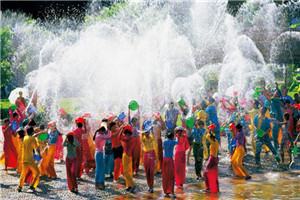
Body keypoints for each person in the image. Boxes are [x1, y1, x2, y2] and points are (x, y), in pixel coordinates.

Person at [17, 127, 40, 192]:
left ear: (27, 132)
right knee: (37, 172)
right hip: (30, 159)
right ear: (32, 132)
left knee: (23, 173)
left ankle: (20, 186)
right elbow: (37, 148)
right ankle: (32, 186)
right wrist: (40, 155)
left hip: (24, 158)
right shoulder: (33, 139)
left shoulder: (24, 138)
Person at [93, 123, 111, 189]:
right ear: (100, 131)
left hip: (100, 153)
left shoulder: (98, 135)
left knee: (101, 169)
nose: (104, 133)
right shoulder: (99, 136)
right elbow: (108, 136)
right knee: (99, 169)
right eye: (103, 131)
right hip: (99, 154)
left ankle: (101, 183)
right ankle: (97, 184)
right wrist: (109, 130)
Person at [119, 124, 136, 193]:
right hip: (129, 155)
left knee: (126, 171)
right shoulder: (131, 138)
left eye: (125, 134)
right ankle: (128, 185)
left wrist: (121, 129)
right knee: (129, 171)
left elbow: (119, 137)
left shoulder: (127, 138)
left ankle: (132, 185)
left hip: (126, 155)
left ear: (127, 134)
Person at [140, 120, 156, 193]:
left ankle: (151, 186)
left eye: (148, 132)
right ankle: (149, 185)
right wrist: (143, 128)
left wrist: (151, 128)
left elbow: (153, 134)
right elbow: (141, 135)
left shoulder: (151, 137)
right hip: (146, 155)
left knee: (151, 171)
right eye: (146, 132)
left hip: (152, 154)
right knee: (147, 171)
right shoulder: (143, 138)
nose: (147, 133)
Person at [203, 124, 219, 193]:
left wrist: (209, 130)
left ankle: (208, 187)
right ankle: (215, 189)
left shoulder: (213, 142)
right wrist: (210, 130)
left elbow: (207, 137)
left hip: (212, 159)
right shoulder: (216, 141)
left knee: (205, 173)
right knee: (214, 175)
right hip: (215, 159)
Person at [162, 132, 178, 197]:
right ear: (171, 137)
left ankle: (165, 191)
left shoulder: (164, 141)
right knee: (171, 176)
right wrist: (176, 136)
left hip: (164, 159)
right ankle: (171, 191)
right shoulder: (172, 142)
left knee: (165, 176)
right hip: (169, 160)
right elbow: (177, 141)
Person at [128, 105, 141, 175]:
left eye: (135, 121)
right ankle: (132, 169)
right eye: (133, 121)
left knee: (137, 155)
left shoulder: (138, 125)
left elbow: (139, 117)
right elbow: (128, 118)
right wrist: (129, 110)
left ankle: (136, 169)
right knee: (132, 155)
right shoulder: (130, 126)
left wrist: (138, 108)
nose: (134, 122)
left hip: (137, 141)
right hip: (132, 141)